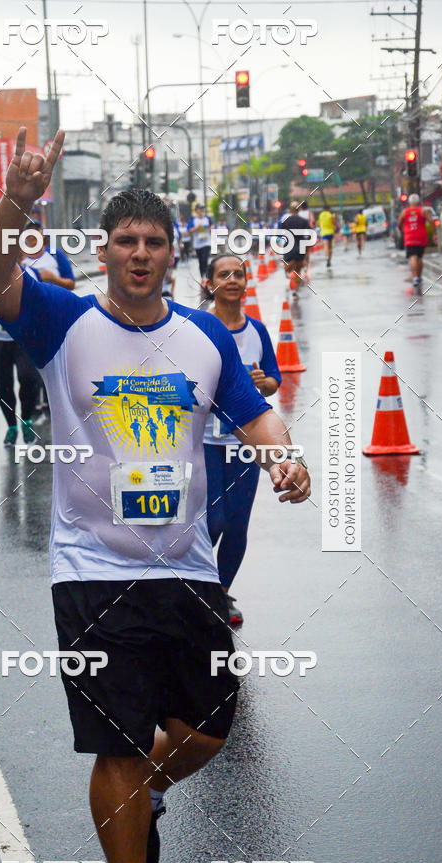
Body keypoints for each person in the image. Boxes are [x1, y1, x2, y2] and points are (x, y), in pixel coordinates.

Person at [0, 126, 310, 863]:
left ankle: (143, 794)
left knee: (208, 730)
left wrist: (282, 456)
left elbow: (255, 416)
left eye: (154, 241)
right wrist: (18, 200)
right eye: (125, 240)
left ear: (171, 252)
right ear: (105, 247)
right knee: (117, 742)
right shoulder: (62, 321)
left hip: (186, 565)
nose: (140, 253)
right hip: (93, 571)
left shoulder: (202, 339)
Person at [202, 254, 281, 627]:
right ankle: (194, 589)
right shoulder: (197, 327)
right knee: (212, 521)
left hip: (246, 444)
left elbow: (274, 380)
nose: (232, 279)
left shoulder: (258, 331)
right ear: (209, 283)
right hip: (203, 441)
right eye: (223, 274)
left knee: (236, 525)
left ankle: (219, 593)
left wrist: (264, 384)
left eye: (239, 274)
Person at [0, 257, 41, 445]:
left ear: (21, 254)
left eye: (17, 251)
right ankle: (11, 426)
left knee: (28, 378)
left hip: (24, 338)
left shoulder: (32, 274)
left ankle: (26, 421)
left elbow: (42, 303)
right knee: (4, 385)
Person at [397, 194, 434, 289]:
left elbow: (399, 223)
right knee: (420, 257)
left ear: (409, 202)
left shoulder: (405, 212)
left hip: (409, 237)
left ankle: (415, 278)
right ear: (418, 202)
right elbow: (431, 221)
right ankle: (419, 277)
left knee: (413, 257)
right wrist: (434, 233)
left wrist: (403, 230)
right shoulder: (423, 211)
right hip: (421, 237)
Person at [279, 201, 311, 300]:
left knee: (288, 268)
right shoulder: (304, 221)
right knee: (298, 270)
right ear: (299, 209)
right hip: (300, 247)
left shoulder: (285, 221)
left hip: (289, 246)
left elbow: (280, 233)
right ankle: (295, 293)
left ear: (290, 210)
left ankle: (288, 274)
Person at [186, 202, 213, 281]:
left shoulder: (207, 218)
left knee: (205, 259)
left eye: (202, 209)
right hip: (197, 244)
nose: (201, 210)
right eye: (200, 209)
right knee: (201, 261)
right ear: (196, 210)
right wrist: (196, 228)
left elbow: (212, 225)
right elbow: (189, 231)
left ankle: (206, 276)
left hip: (207, 242)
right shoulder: (193, 219)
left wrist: (211, 228)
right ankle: (202, 277)